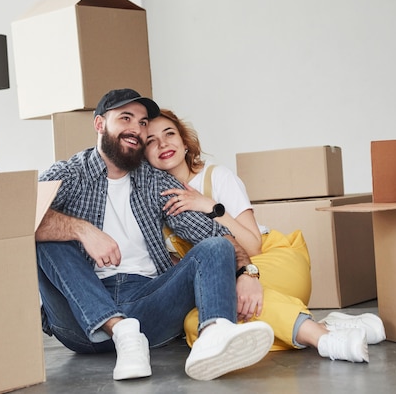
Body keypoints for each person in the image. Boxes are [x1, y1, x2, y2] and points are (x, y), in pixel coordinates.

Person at [35, 88, 275, 382]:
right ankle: (120, 329)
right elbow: (16, 220)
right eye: (126, 118)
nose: (136, 129)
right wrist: (82, 230)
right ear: (99, 125)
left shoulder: (155, 182)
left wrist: (247, 273)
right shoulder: (69, 174)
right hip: (79, 317)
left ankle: (212, 338)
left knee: (215, 246)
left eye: (142, 122)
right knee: (41, 234)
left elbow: (216, 235)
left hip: (147, 306)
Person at [144, 108, 387, 363]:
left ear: (184, 143)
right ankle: (327, 326)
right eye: (151, 141)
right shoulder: (151, 202)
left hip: (270, 261)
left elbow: (253, 245)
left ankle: (322, 339)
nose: (162, 144)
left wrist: (208, 206)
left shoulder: (216, 177)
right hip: (227, 278)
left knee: (227, 303)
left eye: (169, 134)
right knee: (199, 324)